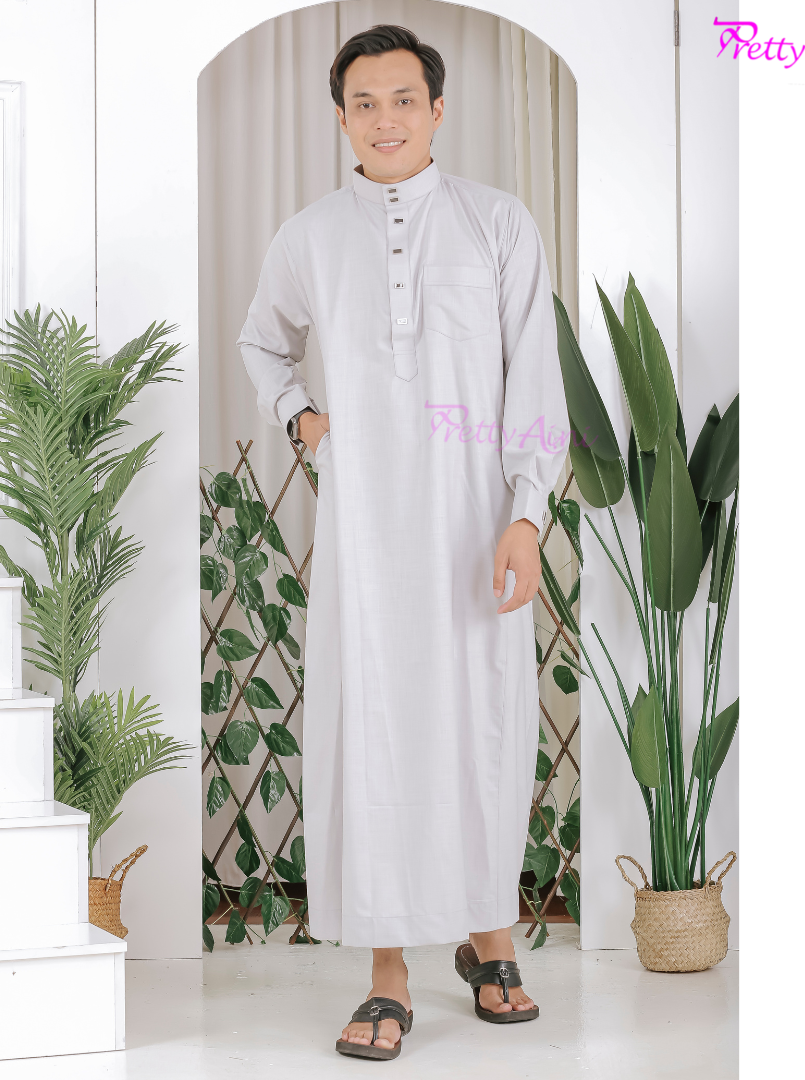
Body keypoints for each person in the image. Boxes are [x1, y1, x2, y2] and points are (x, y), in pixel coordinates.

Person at [238, 24, 568, 1060]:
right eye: (364, 103)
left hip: (477, 523)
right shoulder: (309, 236)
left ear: (437, 110)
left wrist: (527, 511)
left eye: (403, 99)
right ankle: (387, 971)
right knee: (372, 722)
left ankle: (488, 936)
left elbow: (536, 371)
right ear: (341, 117)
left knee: (483, 719)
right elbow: (262, 341)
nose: (385, 119)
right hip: (366, 529)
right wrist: (300, 416)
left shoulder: (497, 223)